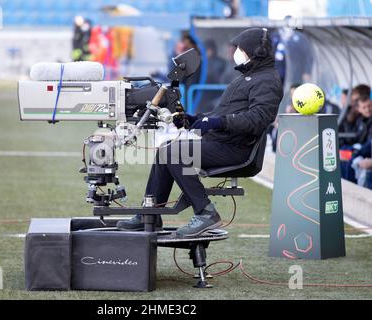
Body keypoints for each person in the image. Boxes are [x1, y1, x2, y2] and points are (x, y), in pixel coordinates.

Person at [117, 28, 284, 237]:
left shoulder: (266, 80)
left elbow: (258, 119)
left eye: (240, 48)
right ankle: (149, 214)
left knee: (174, 152)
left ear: (255, 51)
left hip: (237, 149)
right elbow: (223, 112)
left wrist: (217, 122)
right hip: (224, 142)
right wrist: (194, 118)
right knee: (166, 150)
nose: (237, 51)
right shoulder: (248, 77)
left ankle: (206, 212)